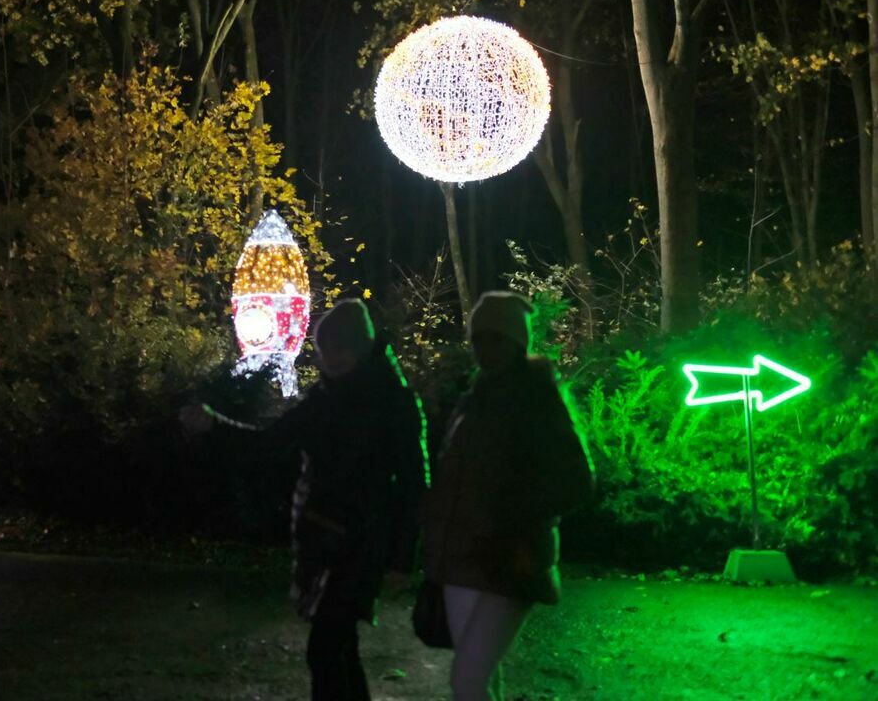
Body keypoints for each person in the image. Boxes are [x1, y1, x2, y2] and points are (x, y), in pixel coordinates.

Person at [183, 298, 430, 701]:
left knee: (327, 648)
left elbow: (413, 483)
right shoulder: (325, 398)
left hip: (362, 542)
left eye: (339, 347)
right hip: (323, 536)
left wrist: (403, 556)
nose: (329, 356)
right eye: (324, 348)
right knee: (338, 647)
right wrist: (215, 426)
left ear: (361, 347)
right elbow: (269, 443)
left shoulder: (393, 402)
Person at [421, 291, 593, 701]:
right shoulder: (475, 398)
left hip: (509, 560)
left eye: (495, 338)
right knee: (477, 675)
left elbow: (576, 482)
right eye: (478, 338)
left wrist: (512, 521)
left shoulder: (536, 400)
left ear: (518, 342)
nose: (484, 348)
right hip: (464, 559)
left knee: (468, 677)